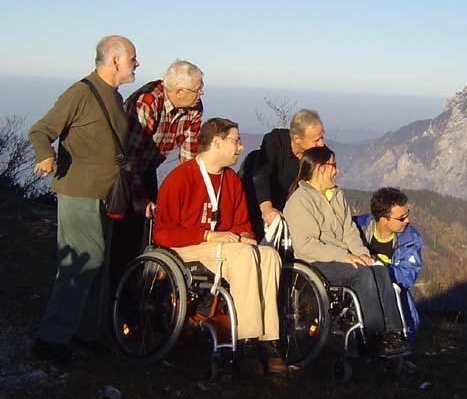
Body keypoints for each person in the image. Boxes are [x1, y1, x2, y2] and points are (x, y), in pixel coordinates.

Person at [28, 35, 140, 365]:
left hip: (106, 194)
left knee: (99, 264)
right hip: (80, 192)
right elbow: (40, 129)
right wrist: (45, 155)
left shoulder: (114, 96)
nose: (137, 63)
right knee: (82, 262)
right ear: (115, 60)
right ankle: (51, 338)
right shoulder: (81, 92)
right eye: (133, 57)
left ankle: (84, 333)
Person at [153, 117, 286, 376]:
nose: (240, 147)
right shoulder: (180, 178)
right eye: (235, 141)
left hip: (223, 248)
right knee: (244, 255)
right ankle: (245, 342)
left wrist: (246, 234)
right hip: (187, 248)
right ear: (216, 142)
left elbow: (241, 223)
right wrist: (207, 236)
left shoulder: (231, 181)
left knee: (269, 255)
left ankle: (268, 340)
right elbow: (163, 232)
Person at [283, 146, 410, 357]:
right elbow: (306, 245)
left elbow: (349, 231)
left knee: (378, 269)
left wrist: (363, 254)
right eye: (334, 166)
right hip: (315, 262)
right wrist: (345, 256)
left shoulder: (336, 195)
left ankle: (393, 333)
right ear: (321, 169)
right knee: (362, 273)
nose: (337, 171)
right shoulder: (299, 201)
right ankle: (374, 334)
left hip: (340, 258)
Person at [109, 60, 204, 286]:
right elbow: (128, 156)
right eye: (197, 89)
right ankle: (116, 292)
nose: (201, 94)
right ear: (179, 91)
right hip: (123, 170)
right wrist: (139, 199)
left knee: (154, 228)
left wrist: (188, 197)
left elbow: (188, 159)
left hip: (148, 167)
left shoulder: (194, 108)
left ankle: (146, 284)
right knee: (125, 236)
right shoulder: (147, 103)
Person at [242, 108, 325, 241]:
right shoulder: (275, 141)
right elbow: (261, 174)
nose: (321, 143)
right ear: (297, 139)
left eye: (322, 137)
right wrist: (267, 208)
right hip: (257, 201)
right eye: (316, 140)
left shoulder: (318, 154)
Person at [354, 188, 423, 339]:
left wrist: (378, 268)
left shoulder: (410, 239)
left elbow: (408, 276)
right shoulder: (355, 229)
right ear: (383, 219)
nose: (407, 220)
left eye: (407, 214)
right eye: (401, 218)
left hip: (392, 294)